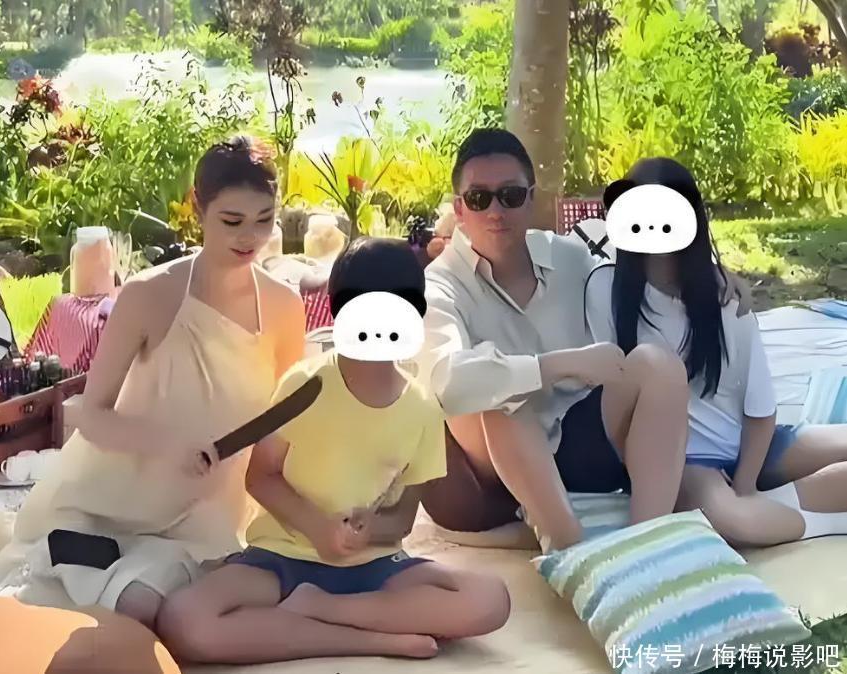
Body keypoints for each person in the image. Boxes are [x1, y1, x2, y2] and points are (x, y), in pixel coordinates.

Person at [156, 238, 510, 665]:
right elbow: (261, 476)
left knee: (490, 600)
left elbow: (403, 518)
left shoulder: (422, 408)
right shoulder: (305, 385)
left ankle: (328, 610)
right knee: (183, 620)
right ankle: (375, 640)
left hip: (375, 567)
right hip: (283, 558)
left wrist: (369, 529)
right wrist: (318, 529)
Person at [5, 136, 306, 629]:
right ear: (198, 208)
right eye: (232, 221)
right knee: (120, 611)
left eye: (264, 219)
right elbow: (89, 413)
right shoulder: (149, 294)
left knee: (151, 607)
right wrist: (168, 444)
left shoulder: (284, 305)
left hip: (201, 519)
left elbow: (286, 424)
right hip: (102, 504)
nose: (249, 237)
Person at [416, 128, 750, 553]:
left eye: (511, 195)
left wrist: (714, 275)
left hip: (577, 436)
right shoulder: (439, 285)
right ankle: (568, 545)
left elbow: (641, 272)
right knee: (502, 398)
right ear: (460, 209)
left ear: (531, 198)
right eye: (480, 198)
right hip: (495, 459)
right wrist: (557, 365)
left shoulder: (569, 257)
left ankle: (648, 542)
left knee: (658, 365)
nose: (496, 211)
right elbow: (445, 382)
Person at [585, 157, 847, 547]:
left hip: (751, 446)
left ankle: (770, 506)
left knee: (744, 505)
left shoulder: (726, 299)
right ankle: (818, 520)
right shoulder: (604, 287)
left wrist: (746, 483)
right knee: (735, 521)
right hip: (684, 462)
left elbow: (760, 411)